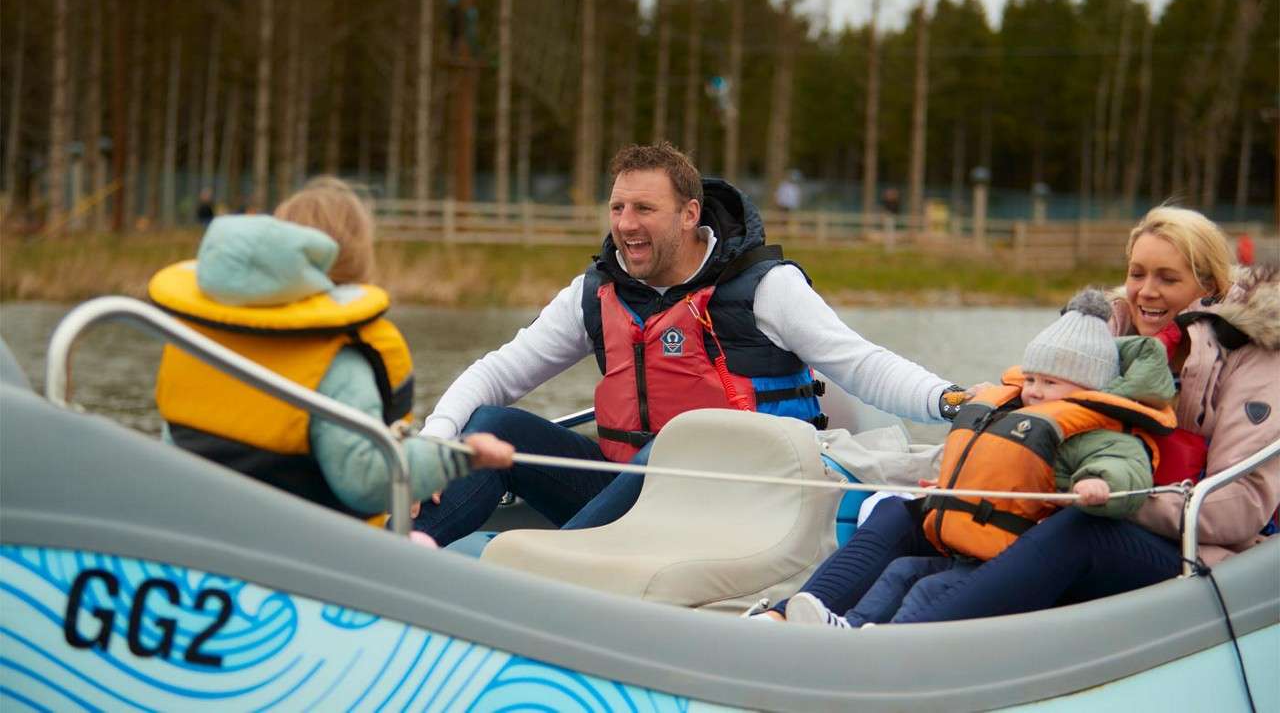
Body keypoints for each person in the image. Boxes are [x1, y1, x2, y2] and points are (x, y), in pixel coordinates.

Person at [415, 142, 966, 547]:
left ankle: (552, 566)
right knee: (493, 424)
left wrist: (952, 402)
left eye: (644, 210)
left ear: (689, 215)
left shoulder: (767, 289)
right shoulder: (595, 293)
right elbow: (496, 373)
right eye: (617, 208)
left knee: (680, 441)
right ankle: (400, 554)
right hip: (622, 497)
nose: (625, 225)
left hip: (736, 504)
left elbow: (862, 364)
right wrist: (435, 443)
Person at [870, 205, 1279, 624]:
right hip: (1068, 511)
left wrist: (1103, 495)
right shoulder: (1103, 334)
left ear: (1208, 286)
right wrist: (975, 475)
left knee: (1078, 530)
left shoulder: (1254, 360)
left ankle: (907, 642)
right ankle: (811, 621)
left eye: (1168, 278)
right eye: (1137, 274)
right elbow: (1032, 425)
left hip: (1189, 551)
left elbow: (1238, 507)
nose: (1146, 291)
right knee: (910, 511)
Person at [756, 289, 1175, 627]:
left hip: (1015, 542)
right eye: (1031, 379)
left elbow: (1125, 466)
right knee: (901, 562)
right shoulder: (1024, 408)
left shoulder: (1096, 429)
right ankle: (826, 620)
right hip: (973, 532)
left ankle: (883, 648)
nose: (1034, 391)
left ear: (1084, 389)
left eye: (1049, 382)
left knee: (924, 590)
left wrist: (1101, 485)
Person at [149, 176, 514, 523]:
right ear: (355, 262)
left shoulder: (199, 339)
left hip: (196, 535)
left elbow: (174, 445)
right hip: (301, 554)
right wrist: (457, 458)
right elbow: (368, 482)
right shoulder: (338, 364)